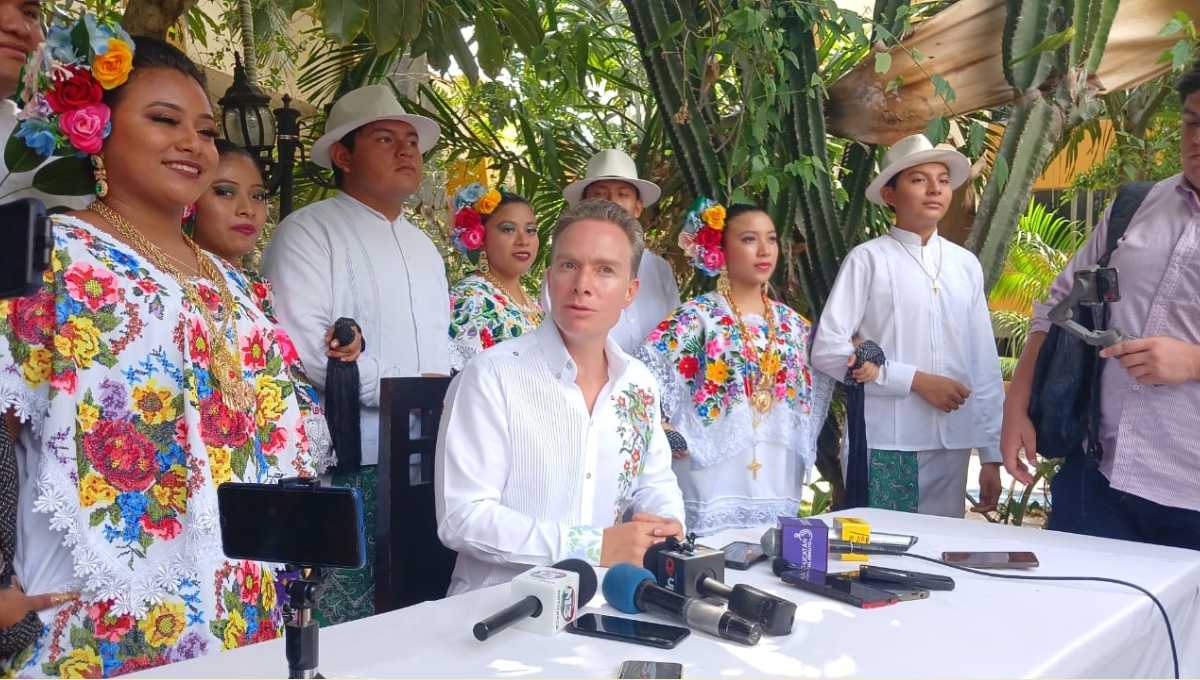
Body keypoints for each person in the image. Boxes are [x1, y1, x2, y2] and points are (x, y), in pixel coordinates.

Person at [0, 22, 319, 676]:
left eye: (205, 130)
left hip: (236, 600)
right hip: (94, 603)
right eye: (164, 119)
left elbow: (277, 434)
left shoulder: (235, 283)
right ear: (98, 127)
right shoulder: (53, 255)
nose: (192, 144)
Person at [260, 83, 450, 623]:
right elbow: (305, 348)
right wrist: (407, 388)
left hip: (430, 457)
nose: (406, 151)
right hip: (350, 459)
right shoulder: (308, 231)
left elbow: (441, 346)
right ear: (343, 155)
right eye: (385, 139)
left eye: (411, 141)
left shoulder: (425, 248)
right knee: (350, 619)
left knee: (421, 610)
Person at [436, 199, 686, 594]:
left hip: (606, 604)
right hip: (500, 613)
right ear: (550, 278)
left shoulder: (638, 385)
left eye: (605, 270)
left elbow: (655, 483)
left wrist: (665, 528)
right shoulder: (493, 376)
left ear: (630, 292)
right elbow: (463, 518)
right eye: (570, 265)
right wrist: (591, 546)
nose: (582, 284)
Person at [1000, 65, 1200, 549]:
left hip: (1190, 499)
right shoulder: (1137, 205)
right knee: (1076, 619)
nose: (1197, 139)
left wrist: (1193, 360)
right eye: (1192, 122)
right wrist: (1016, 407)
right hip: (1097, 480)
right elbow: (1056, 308)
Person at [811, 134, 1004, 518]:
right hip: (888, 442)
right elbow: (828, 351)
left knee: (938, 556)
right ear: (890, 194)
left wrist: (991, 453)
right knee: (887, 555)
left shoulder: (964, 265)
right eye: (919, 179)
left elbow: (983, 364)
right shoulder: (868, 260)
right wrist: (915, 380)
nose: (935, 189)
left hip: (952, 444)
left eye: (943, 180)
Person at [636, 200, 832, 536]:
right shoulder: (697, 317)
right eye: (749, 239)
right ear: (721, 248)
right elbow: (640, 376)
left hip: (776, 474)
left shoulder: (795, 326)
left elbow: (833, 362)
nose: (764, 250)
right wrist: (661, 425)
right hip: (710, 476)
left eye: (771, 239)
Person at [190, 138, 363, 473]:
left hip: (278, 465)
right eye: (225, 191)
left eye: (258, 195)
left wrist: (348, 338)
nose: (247, 208)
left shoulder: (255, 287)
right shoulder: (179, 281)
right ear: (189, 196)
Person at [541, 149, 680, 352]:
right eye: (600, 194)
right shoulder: (563, 274)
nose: (612, 202)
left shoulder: (661, 271)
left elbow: (673, 336)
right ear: (584, 204)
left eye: (623, 194)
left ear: (638, 207)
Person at [446, 182, 543, 371]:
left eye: (531, 230)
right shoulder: (468, 301)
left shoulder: (533, 305)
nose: (524, 240)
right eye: (508, 229)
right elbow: (463, 383)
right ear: (480, 237)